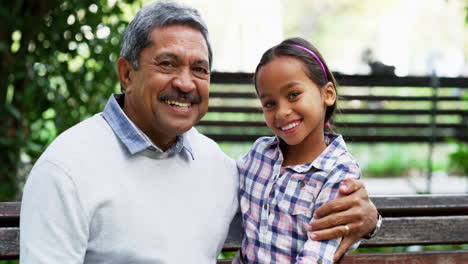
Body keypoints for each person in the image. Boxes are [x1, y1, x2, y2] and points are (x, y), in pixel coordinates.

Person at [19, 1, 379, 263]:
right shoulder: (67, 168)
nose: (185, 83)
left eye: (200, 69)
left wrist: (369, 220)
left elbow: (282, 216)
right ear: (127, 74)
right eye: (167, 63)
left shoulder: (216, 166)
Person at [236, 37, 366, 263]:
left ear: (328, 94)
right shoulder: (260, 153)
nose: (281, 112)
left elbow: (318, 255)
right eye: (269, 103)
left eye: (293, 95)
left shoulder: (340, 173)